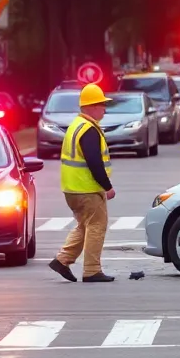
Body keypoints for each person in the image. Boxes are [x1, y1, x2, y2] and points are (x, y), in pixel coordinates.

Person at [48, 83, 116, 283]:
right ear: (92, 106)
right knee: (97, 226)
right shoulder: (89, 130)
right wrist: (107, 186)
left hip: (72, 189)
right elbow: (94, 162)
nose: (104, 109)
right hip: (87, 189)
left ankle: (63, 260)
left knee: (84, 226)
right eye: (102, 104)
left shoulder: (76, 126)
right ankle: (92, 270)